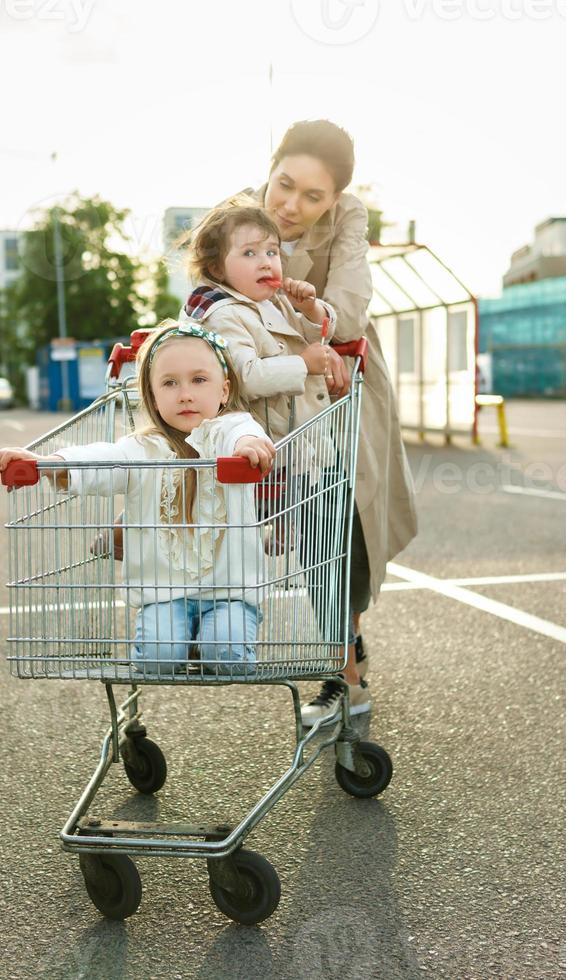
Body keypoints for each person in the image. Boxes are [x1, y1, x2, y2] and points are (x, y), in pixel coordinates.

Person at [232, 119, 418, 724]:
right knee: (263, 511)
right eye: (284, 186)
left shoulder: (349, 221)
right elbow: (206, 294)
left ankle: (344, 666)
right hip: (259, 375)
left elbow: (351, 312)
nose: (292, 206)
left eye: (314, 197)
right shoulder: (236, 215)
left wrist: (315, 324)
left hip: (339, 382)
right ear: (269, 167)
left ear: (335, 198)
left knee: (340, 529)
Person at [0, 322, 275, 676]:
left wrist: (249, 446)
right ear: (152, 396)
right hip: (163, 591)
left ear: (224, 389)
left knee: (226, 658)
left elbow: (246, 433)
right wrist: (49, 464)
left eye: (199, 380)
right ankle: (181, 637)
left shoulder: (231, 429)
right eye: (170, 383)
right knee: (158, 661)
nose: (185, 394)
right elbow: (102, 458)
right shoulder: (143, 448)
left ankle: (211, 637)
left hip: (229, 590)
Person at [179, 203, 372, 710]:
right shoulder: (222, 313)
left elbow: (319, 338)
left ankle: (344, 670)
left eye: (271, 251)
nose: (268, 261)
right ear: (219, 268)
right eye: (250, 253)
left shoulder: (274, 302)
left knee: (328, 561)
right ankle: (208, 630)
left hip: (306, 453)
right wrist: (303, 362)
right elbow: (241, 375)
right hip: (269, 455)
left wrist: (312, 312)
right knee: (305, 561)